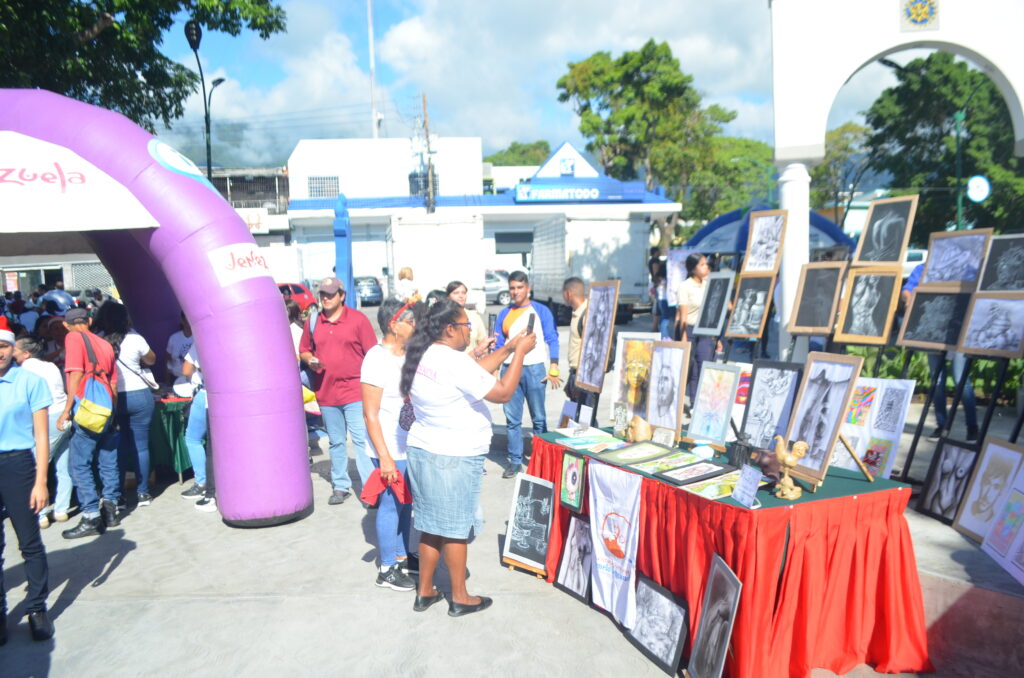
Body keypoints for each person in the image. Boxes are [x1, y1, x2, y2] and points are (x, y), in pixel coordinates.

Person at [400, 298, 537, 616]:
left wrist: (506, 348)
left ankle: (425, 591)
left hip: (424, 450)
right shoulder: (453, 361)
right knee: (455, 529)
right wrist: (519, 353)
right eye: (465, 325)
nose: (469, 331)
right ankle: (460, 597)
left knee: (431, 526)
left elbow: (473, 374)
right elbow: (502, 392)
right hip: (453, 455)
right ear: (450, 329)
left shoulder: (423, 352)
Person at [299, 277, 377, 505]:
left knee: (362, 440)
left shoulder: (359, 320)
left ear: (342, 295)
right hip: (326, 393)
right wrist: (310, 359)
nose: (326, 298)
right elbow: (303, 350)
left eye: (331, 294)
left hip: (355, 392)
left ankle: (370, 490)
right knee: (336, 441)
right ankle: (341, 486)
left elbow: (373, 355)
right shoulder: (313, 322)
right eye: (323, 293)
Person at [0, 327, 55, 643]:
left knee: (29, 540)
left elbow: (41, 435)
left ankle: (36, 608)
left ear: (13, 349)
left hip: (18, 465)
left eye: (4, 346)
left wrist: (41, 481)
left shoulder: (30, 382)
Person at [360, 299, 419, 591]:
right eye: (410, 320)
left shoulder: (408, 354)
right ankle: (386, 569)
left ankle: (401, 556)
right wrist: (384, 457)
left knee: (405, 505)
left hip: (409, 446)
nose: (415, 325)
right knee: (389, 506)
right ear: (394, 324)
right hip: (388, 450)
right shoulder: (376, 358)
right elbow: (370, 414)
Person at [57, 307, 122, 539]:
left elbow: (75, 374)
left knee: (80, 464)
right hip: (106, 408)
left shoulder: (73, 337)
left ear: (66, 324)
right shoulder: (105, 344)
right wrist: (112, 412)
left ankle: (91, 516)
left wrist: (66, 411)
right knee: (107, 459)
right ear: (90, 321)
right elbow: (113, 383)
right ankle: (112, 508)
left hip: (85, 407)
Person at [494, 272, 561, 478]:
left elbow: (552, 338)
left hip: (535, 370)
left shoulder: (541, 311)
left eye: (519, 287)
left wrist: (554, 367)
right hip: (509, 369)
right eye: (512, 288)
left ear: (528, 288)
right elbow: (498, 345)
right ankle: (515, 462)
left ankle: (543, 461)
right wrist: (496, 371)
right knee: (512, 420)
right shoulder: (504, 313)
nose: (515, 292)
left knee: (539, 419)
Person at [901, 263, 978, 441]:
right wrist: (910, 301)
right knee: (937, 380)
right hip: (933, 332)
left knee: (961, 380)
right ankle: (941, 426)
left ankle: (972, 427)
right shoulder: (923, 268)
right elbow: (907, 290)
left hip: (958, 330)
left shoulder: (967, 266)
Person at [96, 302, 157, 507]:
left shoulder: (98, 340)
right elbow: (151, 360)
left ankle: (118, 494)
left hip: (111, 398)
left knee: (117, 447)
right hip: (139, 395)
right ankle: (143, 493)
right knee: (141, 447)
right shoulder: (135, 338)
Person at [13, 336, 73, 527]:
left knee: (37, 466)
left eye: (15, 349)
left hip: (47, 418)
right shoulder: (50, 366)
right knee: (64, 466)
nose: (12, 352)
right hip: (63, 414)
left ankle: (40, 513)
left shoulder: (24, 370)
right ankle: (61, 510)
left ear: (26, 353)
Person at [180, 345, 218, 512]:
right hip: (228, 394)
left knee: (193, 439)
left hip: (205, 394)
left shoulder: (200, 341)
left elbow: (186, 370)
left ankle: (202, 482)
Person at [675, 253, 713, 405]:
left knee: (705, 364)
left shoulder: (708, 284)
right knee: (692, 369)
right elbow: (682, 315)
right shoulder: (685, 286)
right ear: (693, 269)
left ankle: (704, 401)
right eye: (702, 265)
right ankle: (694, 402)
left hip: (705, 330)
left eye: (706, 264)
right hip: (689, 330)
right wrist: (683, 337)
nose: (706, 267)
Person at [445, 281, 488, 354]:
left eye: (463, 293)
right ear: (448, 297)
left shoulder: (474, 316)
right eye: (456, 293)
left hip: (473, 362)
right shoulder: (443, 316)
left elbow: (482, 341)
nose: (461, 296)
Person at [165, 311, 194, 386]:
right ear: (182, 320)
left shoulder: (199, 338)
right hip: (177, 379)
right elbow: (168, 360)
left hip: (195, 379)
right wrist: (167, 383)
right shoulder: (173, 338)